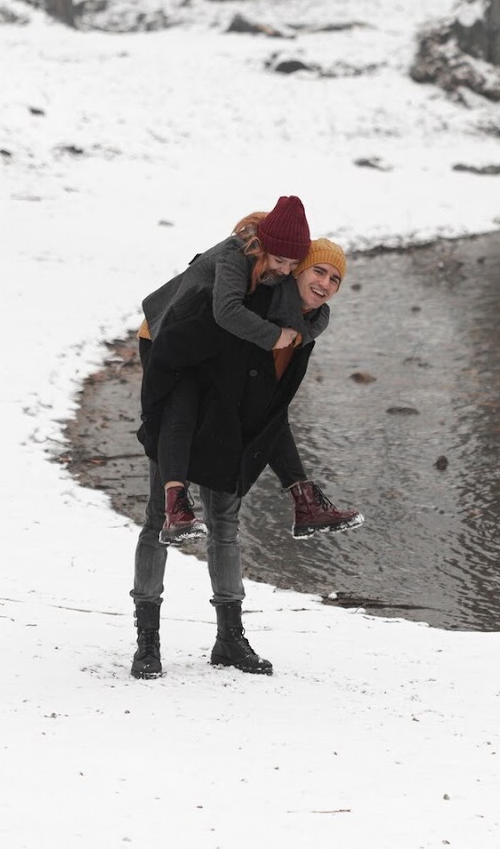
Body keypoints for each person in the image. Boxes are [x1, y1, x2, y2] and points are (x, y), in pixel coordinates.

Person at [128, 239, 356, 679]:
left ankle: (229, 639)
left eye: (335, 278)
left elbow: (273, 405)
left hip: (230, 423)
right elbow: (180, 354)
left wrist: (296, 483)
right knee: (160, 516)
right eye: (319, 272)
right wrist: (161, 420)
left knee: (226, 523)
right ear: (296, 272)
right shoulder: (249, 309)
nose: (326, 284)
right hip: (182, 401)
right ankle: (147, 641)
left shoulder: (306, 327)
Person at [136, 198, 356, 544]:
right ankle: (175, 505)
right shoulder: (236, 254)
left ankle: (304, 500)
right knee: (182, 403)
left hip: (208, 340)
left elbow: (290, 321)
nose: (284, 270)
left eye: (292, 263)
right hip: (167, 331)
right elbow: (226, 311)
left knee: (268, 409)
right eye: (281, 261)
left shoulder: (279, 281)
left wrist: (300, 333)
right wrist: (275, 337)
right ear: (265, 247)